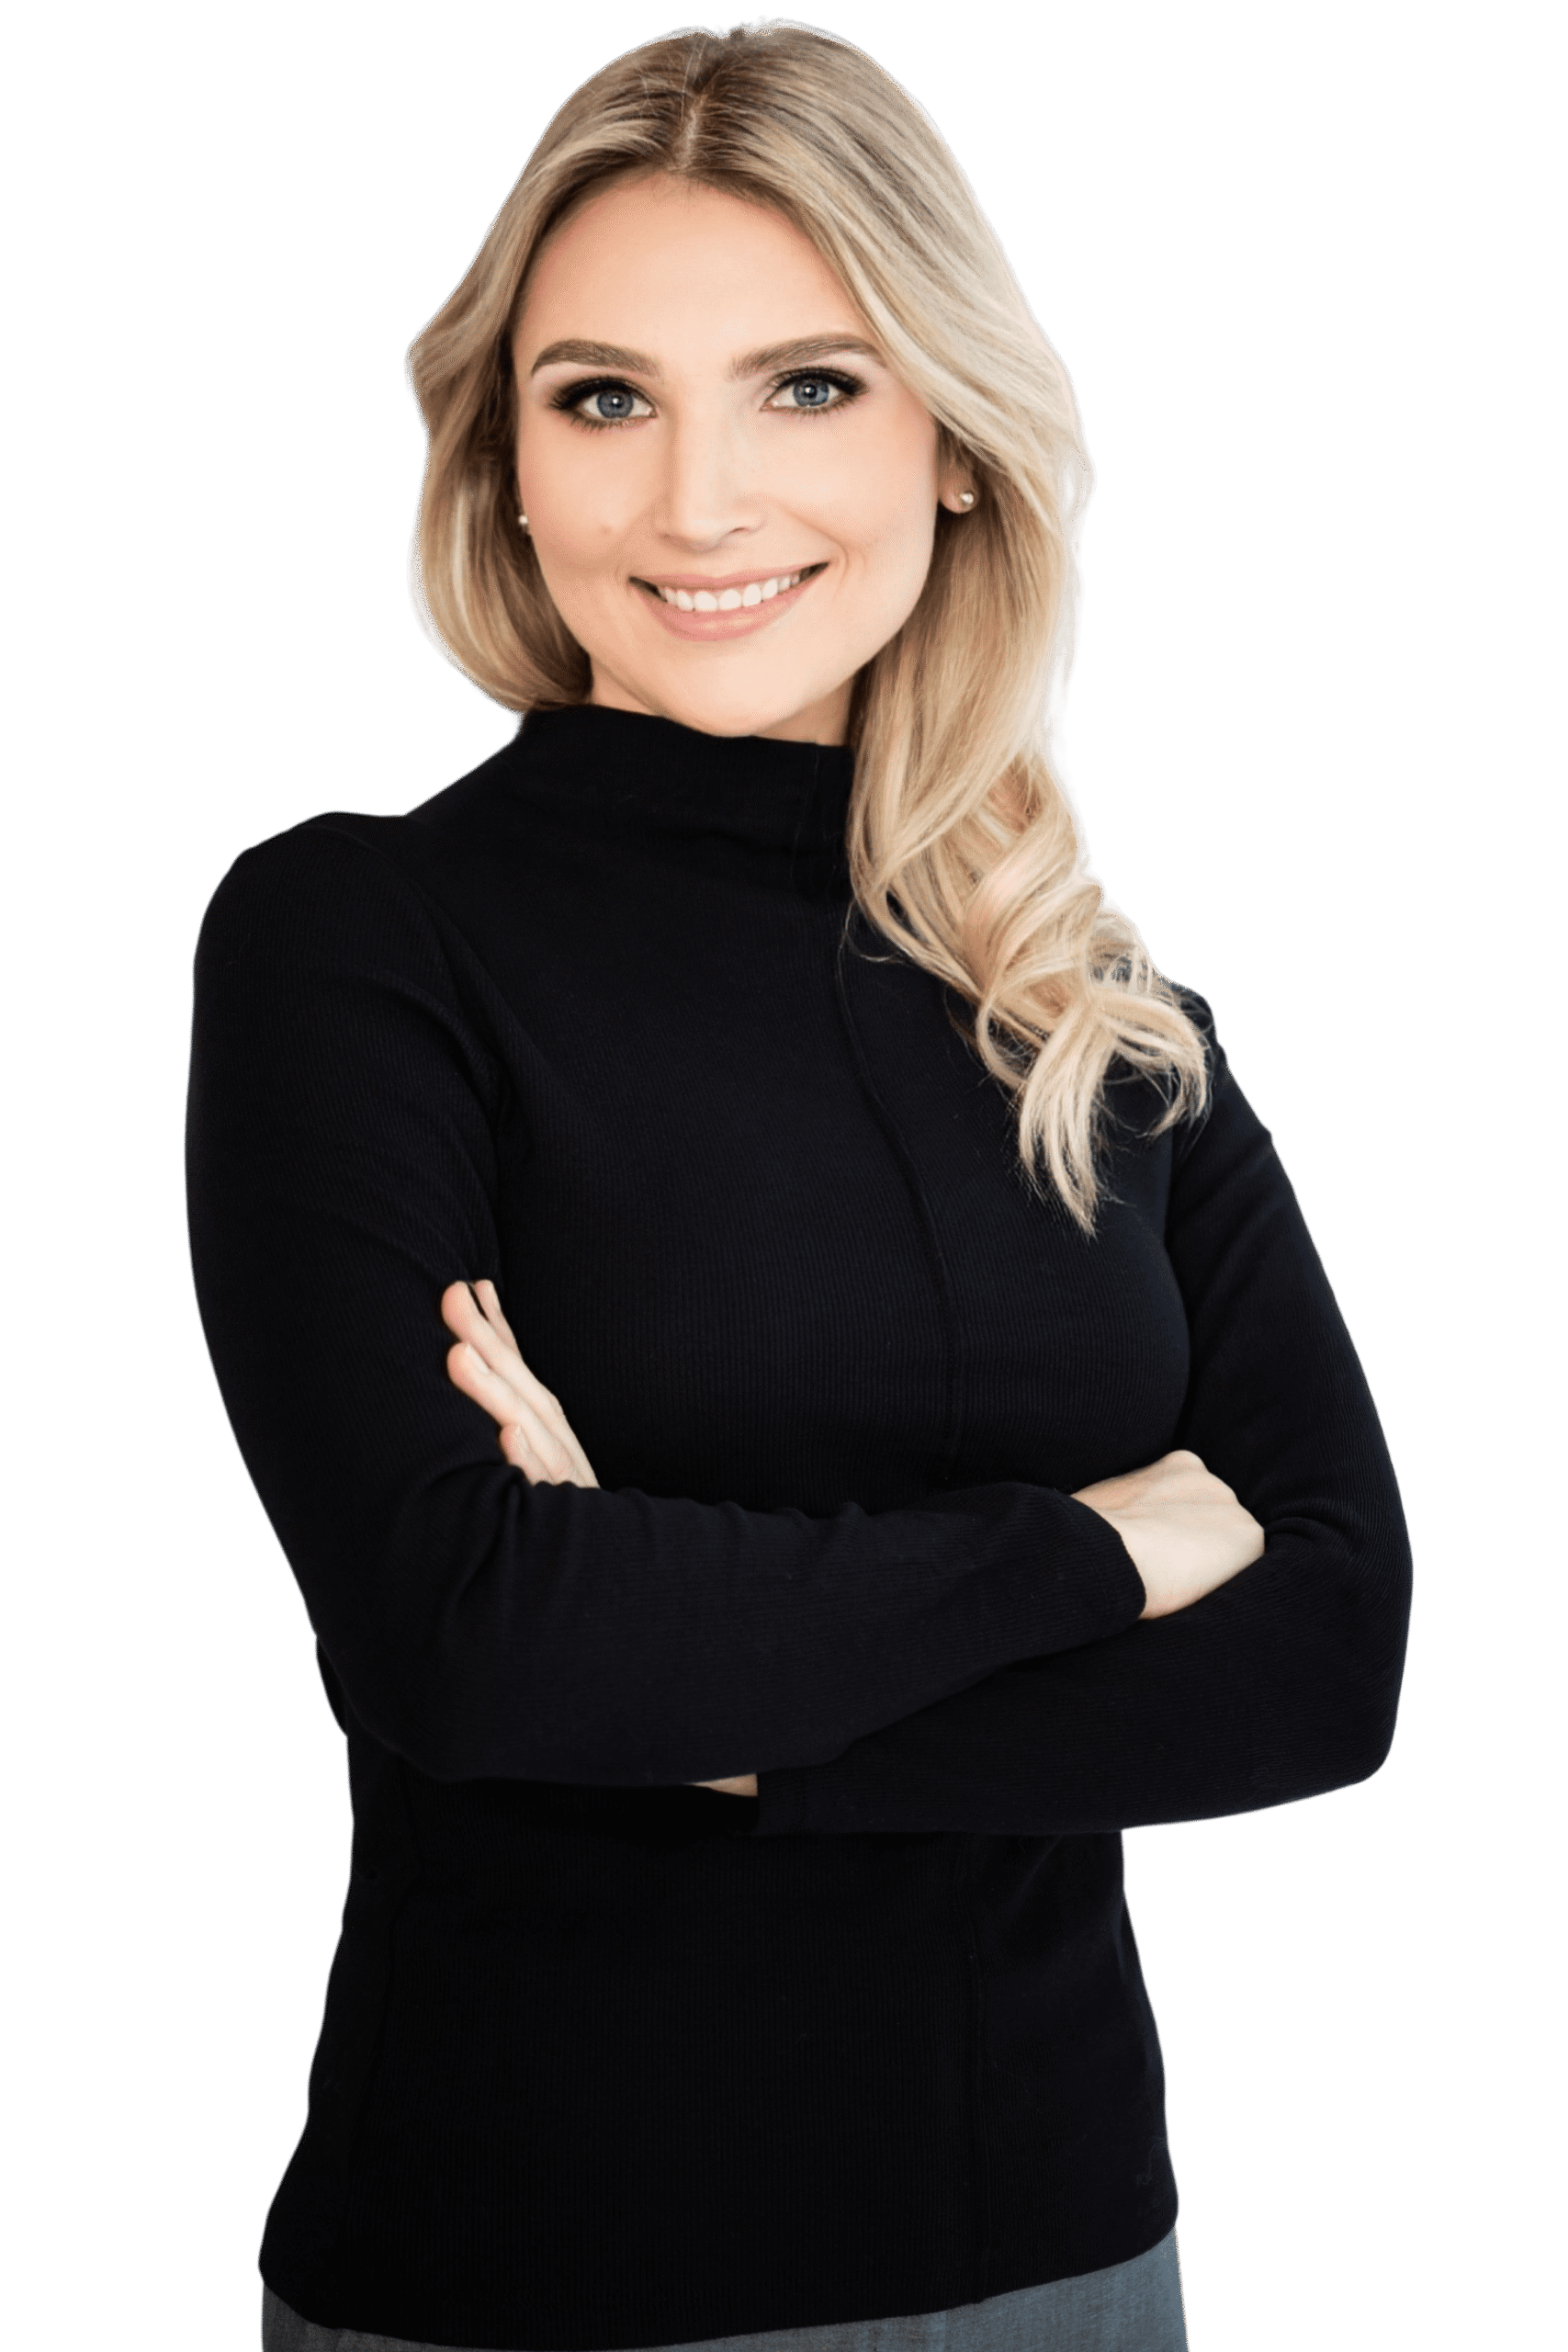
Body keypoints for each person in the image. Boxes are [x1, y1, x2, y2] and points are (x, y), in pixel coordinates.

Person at [184, 22, 1413, 2352]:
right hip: (533, 2275)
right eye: (604, 398)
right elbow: (464, 1637)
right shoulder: (355, 937)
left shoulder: (1092, 1005)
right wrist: (1094, 1548)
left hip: (1075, 2258)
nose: (698, 501)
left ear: (953, 438)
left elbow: (1330, 1657)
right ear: (507, 464)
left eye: (809, 387)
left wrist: (704, 1710)